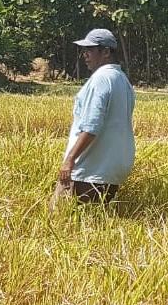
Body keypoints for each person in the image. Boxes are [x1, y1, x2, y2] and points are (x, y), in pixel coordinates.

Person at [53, 28, 135, 205]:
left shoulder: (101, 79)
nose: (85, 55)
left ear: (106, 52)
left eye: (90, 50)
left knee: (59, 219)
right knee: (94, 225)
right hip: (112, 169)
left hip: (90, 168)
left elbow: (91, 127)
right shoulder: (122, 80)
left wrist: (69, 160)